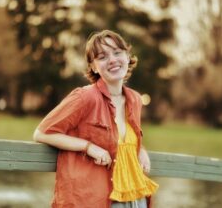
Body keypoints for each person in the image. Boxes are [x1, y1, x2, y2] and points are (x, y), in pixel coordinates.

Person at [33, 29, 158, 208]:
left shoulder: (135, 99)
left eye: (117, 52)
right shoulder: (85, 97)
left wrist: (140, 148)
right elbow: (42, 133)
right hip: (99, 199)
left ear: (127, 56)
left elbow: (120, 139)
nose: (112, 60)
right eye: (102, 56)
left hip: (137, 198)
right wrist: (89, 147)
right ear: (93, 66)